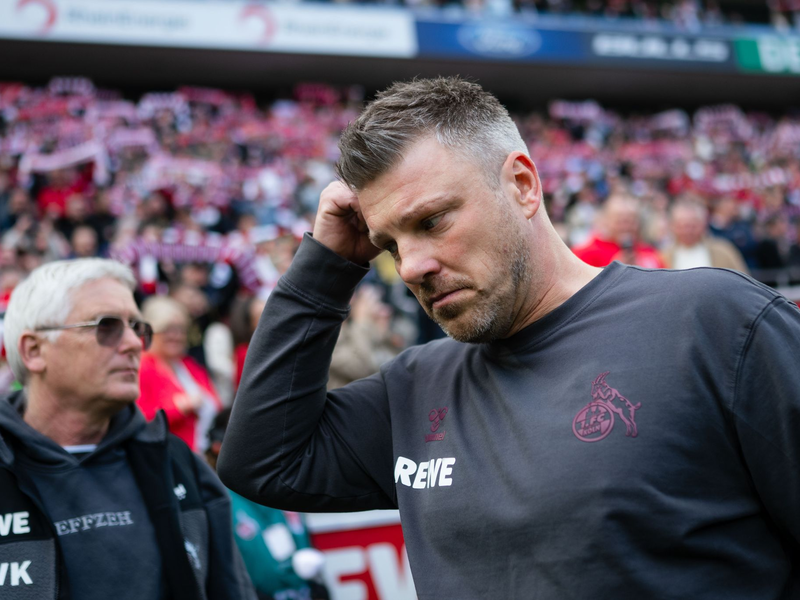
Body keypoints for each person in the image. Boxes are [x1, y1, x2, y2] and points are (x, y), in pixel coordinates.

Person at [218, 77, 800, 599]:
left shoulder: (716, 324)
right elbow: (263, 463)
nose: (412, 265)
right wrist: (325, 264)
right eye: (390, 244)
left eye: (432, 221)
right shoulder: (415, 388)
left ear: (522, 184)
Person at [0, 258, 255, 599]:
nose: (134, 344)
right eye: (106, 326)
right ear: (34, 350)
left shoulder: (178, 465)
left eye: (138, 328)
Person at [206, 409, 330, 600]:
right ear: (218, 446)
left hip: (305, 591)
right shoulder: (218, 500)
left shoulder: (284, 483)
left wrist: (317, 586)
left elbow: (303, 541)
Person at [138, 295, 222, 453]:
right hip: (168, 458)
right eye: (167, 330)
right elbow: (140, 420)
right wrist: (178, 407)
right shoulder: (142, 367)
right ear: (151, 332)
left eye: (180, 330)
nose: (175, 336)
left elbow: (216, 404)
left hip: (202, 457)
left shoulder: (189, 365)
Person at [572, 193, 665, 268]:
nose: (627, 227)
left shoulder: (649, 253)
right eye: (621, 221)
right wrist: (612, 270)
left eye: (632, 221)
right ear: (606, 221)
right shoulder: (584, 253)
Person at [661, 199, 749, 272]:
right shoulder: (663, 255)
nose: (687, 231)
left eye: (693, 226)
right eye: (681, 226)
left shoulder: (723, 252)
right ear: (672, 226)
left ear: (703, 225)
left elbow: (744, 282)